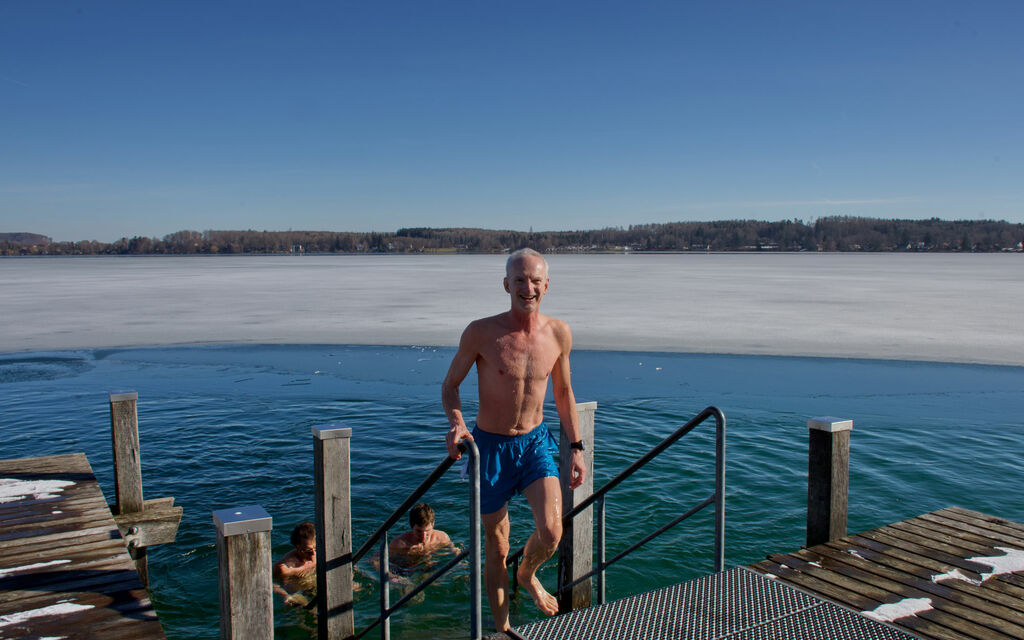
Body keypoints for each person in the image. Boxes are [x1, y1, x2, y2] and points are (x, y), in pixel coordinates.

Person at [442, 248, 585, 633]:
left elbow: (564, 393)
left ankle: (527, 574)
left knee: (552, 531)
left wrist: (575, 447)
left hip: (536, 442)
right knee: (497, 547)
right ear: (507, 284)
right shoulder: (482, 332)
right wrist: (457, 424)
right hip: (489, 448)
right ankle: (503, 628)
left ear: (547, 285)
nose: (528, 288)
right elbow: (450, 387)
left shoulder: (558, 333)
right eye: (520, 280)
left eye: (535, 280)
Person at [388, 503, 458, 567]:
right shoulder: (398, 544)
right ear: (411, 525)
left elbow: (454, 550)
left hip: (433, 566)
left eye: (427, 531)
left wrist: (461, 562)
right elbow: (378, 560)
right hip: (409, 570)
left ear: (433, 524)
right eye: (419, 531)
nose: (423, 536)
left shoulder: (442, 538)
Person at [273, 521, 317, 606]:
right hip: (297, 593)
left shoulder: (317, 554)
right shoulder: (286, 566)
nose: (313, 554)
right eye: (308, 550)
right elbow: (270, 583)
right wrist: (285, 595)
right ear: (297, 546)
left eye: (315, 548)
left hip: (313, 586)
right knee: (313, 612)